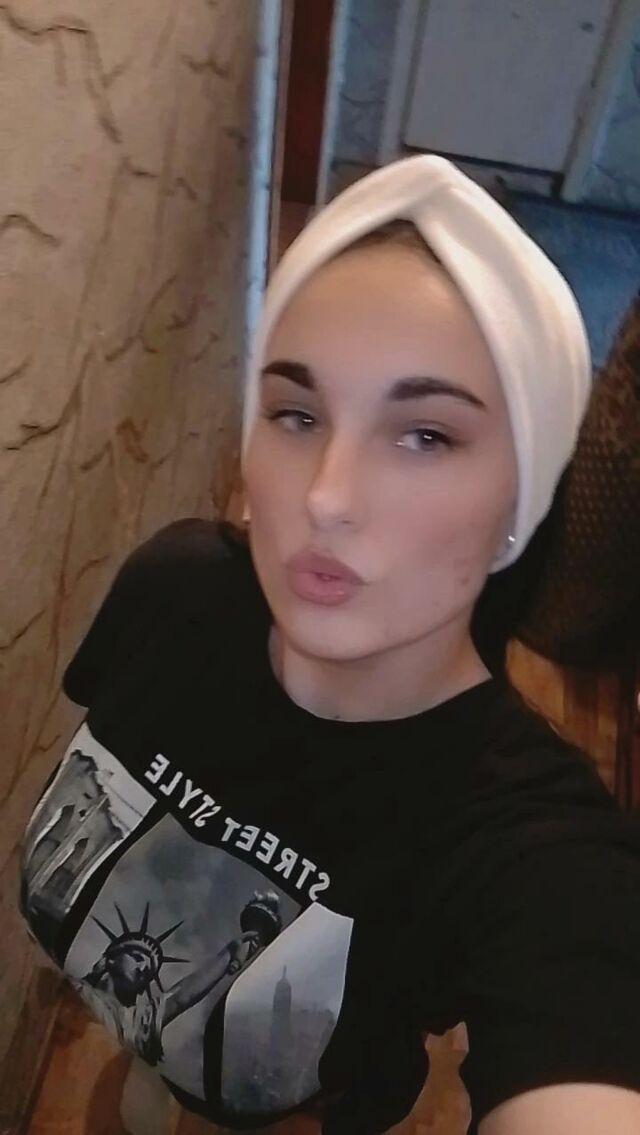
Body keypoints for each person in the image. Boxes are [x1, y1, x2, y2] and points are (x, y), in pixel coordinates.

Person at [18, 155, 640, 1135]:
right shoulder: (175, 586)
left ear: (523, 500)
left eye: (425, 434)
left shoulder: (534, 849)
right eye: (296, 414)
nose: (327, 496)